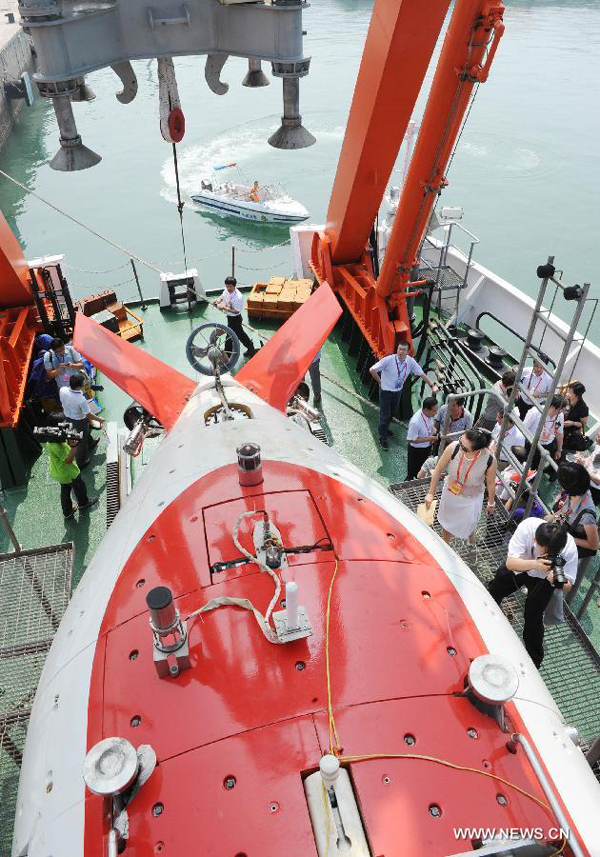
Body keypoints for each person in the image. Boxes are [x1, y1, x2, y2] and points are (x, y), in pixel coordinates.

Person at [487, 520, 576, 668]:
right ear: (535, 540)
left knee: (533, 618)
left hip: (544, 581)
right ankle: (484, 616)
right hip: (522, 565)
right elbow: (510, 563)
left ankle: (534, 662)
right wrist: (535, 564)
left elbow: (568, 586)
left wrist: (556, 579)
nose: (548, 556)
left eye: (552, 554)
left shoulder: (569, 547)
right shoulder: (528, 528)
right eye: (545, 550)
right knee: (496, 588)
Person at [425, 428, 497, 544]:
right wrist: (431, 493)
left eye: (464, 447)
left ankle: (471, 538)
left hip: (471, 496)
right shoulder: (454, 447)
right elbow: (438, 470)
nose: (460, 446)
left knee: (471, 521)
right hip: (451, 492)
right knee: (447, 522)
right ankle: (446, 544)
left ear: (475, 450)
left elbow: (490, 482)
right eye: (460, 440)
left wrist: (491, 502)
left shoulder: (489, 459)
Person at [369, 341, 439, 450]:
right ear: (397, 349)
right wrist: (380, 381)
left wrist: (432, 385)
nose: (401, 352)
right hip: (386, 392)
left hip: (397, 392)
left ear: (408, 352)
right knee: (384, 415)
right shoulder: (389, 360)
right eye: (399, 349)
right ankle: (382, 438)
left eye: (404, 350)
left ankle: (386, 429)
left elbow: (421, 374)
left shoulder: (410, 362)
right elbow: (372, 369)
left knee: (391, 413)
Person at [549, 462, 598, 603]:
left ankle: (552, 597)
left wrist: (567, 537)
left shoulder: (587, 515)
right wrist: (555, 517)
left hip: (568, 547)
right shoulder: (577, 493)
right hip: (564, 533)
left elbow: (594, 545)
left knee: (557, 574)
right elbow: (568, 512)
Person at [46, 432, 98, 519]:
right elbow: (68, 460)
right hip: (69, 473)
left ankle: (67, 511)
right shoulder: (58, 447)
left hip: (59, 472)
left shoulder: (50, 441)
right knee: (80, 486)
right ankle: (84, 502)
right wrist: (74, 447)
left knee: (65, 490)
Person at [60, 375, 105, 468]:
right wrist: (99, 419)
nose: (85, 384)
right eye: (84, 383)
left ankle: (91, 442)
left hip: (68, 417)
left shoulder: (63, 390)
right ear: (79, 386)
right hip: (79, 421)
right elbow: (88, 414)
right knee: (81, 442)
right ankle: (81, 462)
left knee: (85, 433)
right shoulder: (81, 400)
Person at [214, 276, 257, 358]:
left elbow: (236, 311)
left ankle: (227, 355)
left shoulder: (238, 297)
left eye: (230, 287)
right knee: (240, 335)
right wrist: (217, 301)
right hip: (230, 318)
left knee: (230, 336)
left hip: (236, 319)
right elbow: (222, 297)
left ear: (234, 286)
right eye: (227, 286)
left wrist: (223, 307)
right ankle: (251, 349)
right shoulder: (226, 290)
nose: (228, 288)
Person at [523, 394, 565, 470]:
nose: (562, 411)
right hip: (531, 443)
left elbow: (559, 433)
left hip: (547, 445)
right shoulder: (535, 412)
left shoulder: (560, 416)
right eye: (561, 409)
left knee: (537, 467)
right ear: (552, 407)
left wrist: (559, 450)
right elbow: (523, 429)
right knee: (524, 463)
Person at [406, 396, 439, 479]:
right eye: (434, 411)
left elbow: (430, 425)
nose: (436, 412)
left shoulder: (429, 415)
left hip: (426, 447)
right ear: (426, 409)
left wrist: (434, 431)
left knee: (423, 469)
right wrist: (429, 439)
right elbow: (410, 439)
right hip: (416, 451)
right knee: (413, 472)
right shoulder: (415, 422)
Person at [517, 356, 553, 420]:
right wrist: (517, 391)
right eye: (536, 366)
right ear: (533, 364)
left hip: (535, 405)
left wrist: (539, 395)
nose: (538, 369)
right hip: (522, 400)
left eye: (541, 367)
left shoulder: (549, 379)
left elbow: (550, 394)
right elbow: (516, 380)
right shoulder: (525, 371)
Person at [562, 382, 589, 453]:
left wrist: (572, 423)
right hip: (557, 425)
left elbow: (583, 424)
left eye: (570, 392)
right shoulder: (566, 399)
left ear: (577, 395)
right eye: (568, 391)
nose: (568, 393)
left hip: (567, 433)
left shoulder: (583, 408)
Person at [577, 438, 600, 505]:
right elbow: (591, 459)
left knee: (581, 509)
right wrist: (583, 460)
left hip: (594, 491)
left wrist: (584, 468)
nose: (598, 433)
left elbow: (598, 481)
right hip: (585, 481)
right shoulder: (598, 446)